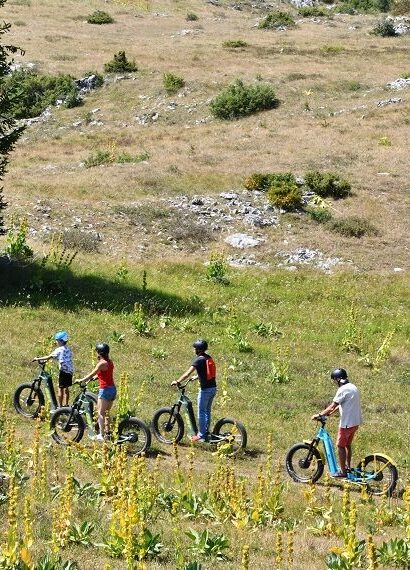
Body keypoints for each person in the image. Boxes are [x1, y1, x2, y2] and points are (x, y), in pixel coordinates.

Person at [312, 367, 362, 478]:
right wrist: (330, 413)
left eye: (334, 380)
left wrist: (320, 415)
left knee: (340, 446)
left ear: (338, 379)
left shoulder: (342, 389)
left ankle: (343, 472)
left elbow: (332, 405)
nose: (334, 383)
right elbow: (342, 403)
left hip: (346, 424)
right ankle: (348, 467)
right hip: (355, 422)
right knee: (347, 445)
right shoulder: (353, 387)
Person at [172, 339, 217, 442]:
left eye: (195, 348)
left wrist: (177, 381)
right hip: (213, 388)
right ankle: (206, 431)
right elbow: (207, 371)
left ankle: (201, 435)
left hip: (205, 390)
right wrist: (197, 377)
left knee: (201, 412)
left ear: (198, 349)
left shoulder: (198, 360)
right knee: (207, 411)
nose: (194, 350)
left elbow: (187, 373)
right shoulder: (208, 358)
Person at [74, 343, 116, 442]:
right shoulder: (109, 362)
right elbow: (105, 373)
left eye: (97, 351)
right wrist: (96, 377)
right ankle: (108, 432)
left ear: (99, 353)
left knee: (100, 413)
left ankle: (101, 435)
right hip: (112, 389)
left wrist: (81, 380)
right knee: (106, 412)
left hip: (105, 390)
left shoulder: (101, 363)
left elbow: (92, 372)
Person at [33, 331, 73, 407]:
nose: (56, 342)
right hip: (70, 371)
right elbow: (62, 358)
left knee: (60, 388)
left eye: (57, 340)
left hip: (63, 371)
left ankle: (60, 407)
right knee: (66, 388)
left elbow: (49, 356)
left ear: (61, 341)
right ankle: (66, 404)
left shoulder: (59, 349)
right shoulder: (68, 349)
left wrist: (37, 358)